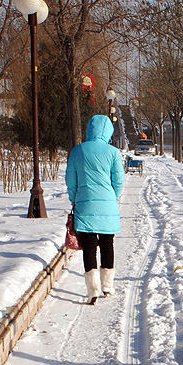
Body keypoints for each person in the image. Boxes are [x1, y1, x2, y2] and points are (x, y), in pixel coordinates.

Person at [66, 114, 125, 305]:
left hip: (85, 202)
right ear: (108, 131)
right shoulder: (113, 152)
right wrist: (113, 197)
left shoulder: (78, 151)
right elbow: (119, 180)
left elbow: (71, 179)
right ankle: (107, 285)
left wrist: (74, 198)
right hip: (107, 202)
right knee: (107, 243)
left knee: (89, 246)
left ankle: (93, 290)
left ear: (89, 129)